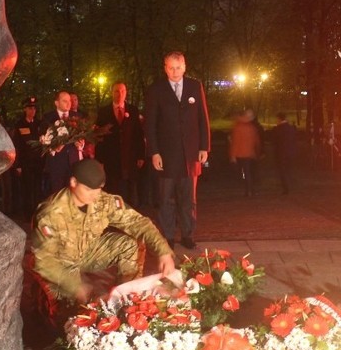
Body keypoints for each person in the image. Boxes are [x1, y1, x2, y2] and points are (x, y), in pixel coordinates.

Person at [30, 159, 176, 303]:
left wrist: (162, 252)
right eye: (88, 189)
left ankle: (128, 296)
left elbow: (138, 222)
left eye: (98, 189)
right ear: (73, 182)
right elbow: (44, 260)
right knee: (74, 310)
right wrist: (76, 287)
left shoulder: (102, 200)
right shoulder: (51, 213)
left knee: (128, 245)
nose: (94, 195)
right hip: (62, 263)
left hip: (88, 252)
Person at [145, 51, 210, 249]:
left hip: (190, 155)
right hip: (166, 155)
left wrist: (204, 147)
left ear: (184, 67)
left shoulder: (194, 86)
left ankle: (188, 235)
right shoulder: (156, 89)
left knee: (189, 199)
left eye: (178, 67)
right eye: (171, 67)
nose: (175, 71)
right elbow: (150, 124)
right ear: (165, 68)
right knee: (166, 199)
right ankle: (168, 236)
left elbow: (203, 119)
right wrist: (154, 152)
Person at [94, 81, 145, 206]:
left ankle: (131, 215)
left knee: (130, 188)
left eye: (122, 91)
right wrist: (100, 159)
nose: (120, 94)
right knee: (113, 189)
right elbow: (99, 136)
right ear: (112, 92)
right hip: (112, 158)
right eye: (117, 91)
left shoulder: (133, 110)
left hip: (130, 157)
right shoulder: (104, 111)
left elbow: (138, 134)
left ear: (126, 92)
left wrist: (141, 155)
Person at [11, 96, 44, 219]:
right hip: (26, 163)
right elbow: (17, 146)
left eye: (34, 109)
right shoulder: (20, 125)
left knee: (37, 188)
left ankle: (36, 212)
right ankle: (27, 213)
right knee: (27, 189)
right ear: (25, 109)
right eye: (30, 108)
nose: (32, 111)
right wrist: (18, 165)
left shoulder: (39, 124)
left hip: (38, 162)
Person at [41, 90, 76, 197]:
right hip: (56, 163)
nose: (68, 103)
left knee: (74, 194)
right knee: (58, 195)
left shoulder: (77, 116)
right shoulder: (48, 118)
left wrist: (81, 143)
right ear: (56, 103)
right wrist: (53, 146)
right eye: (64, 101)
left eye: (69, 100)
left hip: (74, 162)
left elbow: (84, 136)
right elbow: (42, 138)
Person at [229, 109, 261, 197]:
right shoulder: (252, 128)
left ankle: (248, 190)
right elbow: (257, 141)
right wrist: (258, 151)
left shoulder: (238, 127)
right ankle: (251, 189)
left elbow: (235, 142)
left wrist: (233, 155)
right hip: (251, 153)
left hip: (241, 153)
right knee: (250, 172)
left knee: (245, 173)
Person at [271, 111, 298, 194]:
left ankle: (286, 188)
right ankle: (290, 184)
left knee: (282, 170)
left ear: (279, 119)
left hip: (281, 153)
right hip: (290, 152)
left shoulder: (277, 129)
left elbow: (274, 142)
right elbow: (294, 140)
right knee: (288, 169)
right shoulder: (291, 128)